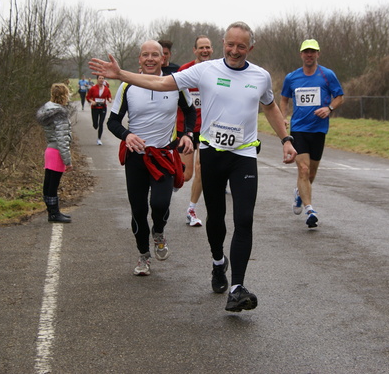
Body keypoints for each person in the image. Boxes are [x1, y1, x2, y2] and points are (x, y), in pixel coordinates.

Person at [90, 21, 297, 312]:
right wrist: (121, 74)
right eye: (230, 44)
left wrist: (286, 139)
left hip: (244, 155)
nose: (235, 51)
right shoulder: (206, 70)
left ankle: (237, 287)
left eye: (241, 46)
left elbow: (271, 107)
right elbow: (162, 83)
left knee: (245, 219)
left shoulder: (260, 76)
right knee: (216, 219)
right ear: (223, 43)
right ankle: (217, 261)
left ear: (250, 47)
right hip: (212, 154)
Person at [107, 40, 196, 276]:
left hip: (164, 155)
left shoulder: (175, 84)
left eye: (154, 55)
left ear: (162, 59)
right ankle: (143, 256)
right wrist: (127, 135)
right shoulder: (127, 86)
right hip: (137, 158)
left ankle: (158, 231)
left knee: (159, 204)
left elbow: (190, 111)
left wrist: (187, 134)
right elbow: (112, 121)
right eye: (145, 55)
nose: (150, 59)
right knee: (138, 210)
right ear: (139, 59)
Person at [279, 39, 345, 228]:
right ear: (301, 54)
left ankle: (300, 194)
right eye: (306, 52)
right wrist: (283, 117)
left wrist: (329, 108)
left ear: (318, 54)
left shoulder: (327, 75)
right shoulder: (292, 77)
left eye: (312, 52)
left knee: (312, 173)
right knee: (304, 169)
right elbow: (283, 99)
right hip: (298, 129)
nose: (309, 55)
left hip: (318, 129)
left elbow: (340, 96)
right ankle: (310, 209)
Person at [175, 35, 214, 227]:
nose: (205, 51)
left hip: (208, 129)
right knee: (186, 175)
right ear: (194, 50)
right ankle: (166, 185)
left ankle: (191, 209)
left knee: (202, 168)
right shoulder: (185, 71)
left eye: (208, 47)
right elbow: (174, 98)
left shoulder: (217, 70)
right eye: (201, 48)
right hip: (187, 128)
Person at [36, 83, 74, 223]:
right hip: (57, 151)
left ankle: (51, 211)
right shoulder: (60, 114)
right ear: (64, 95)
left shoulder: (47, 109)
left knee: (48, 183)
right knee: (53, 185)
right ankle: (54, 213)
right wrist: (67, 161)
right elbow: (62, 139)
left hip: (50, 150)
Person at [86, 75, 112, 145]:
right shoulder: (93, 88)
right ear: (97, 79)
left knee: (101, 123)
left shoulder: (106, 89)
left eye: (102, 78)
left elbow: (109, 96)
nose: (101, 80)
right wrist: (92, 101)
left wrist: (109, 99)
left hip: (103, 108)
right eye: (100, 78)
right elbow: (88, 97)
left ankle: (99, 139)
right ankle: (95, 124)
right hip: (95, 108)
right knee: (95, 125)